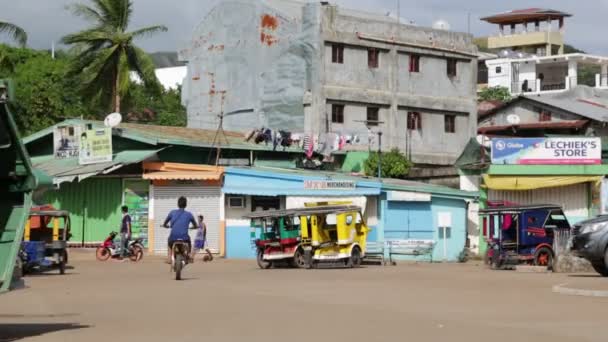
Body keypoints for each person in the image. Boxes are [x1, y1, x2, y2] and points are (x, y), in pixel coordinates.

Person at [163, 196, 197, 264]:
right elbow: (195, 225)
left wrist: (165, 225)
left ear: (178, 204)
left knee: (169, 242)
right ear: (186, 204)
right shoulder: (189, 214)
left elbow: (165, 222)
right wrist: (194, 227)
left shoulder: (172, 212)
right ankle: (189, 255)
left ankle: (169, 258)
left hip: (173, 237)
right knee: (189, 241)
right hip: (184, 237)